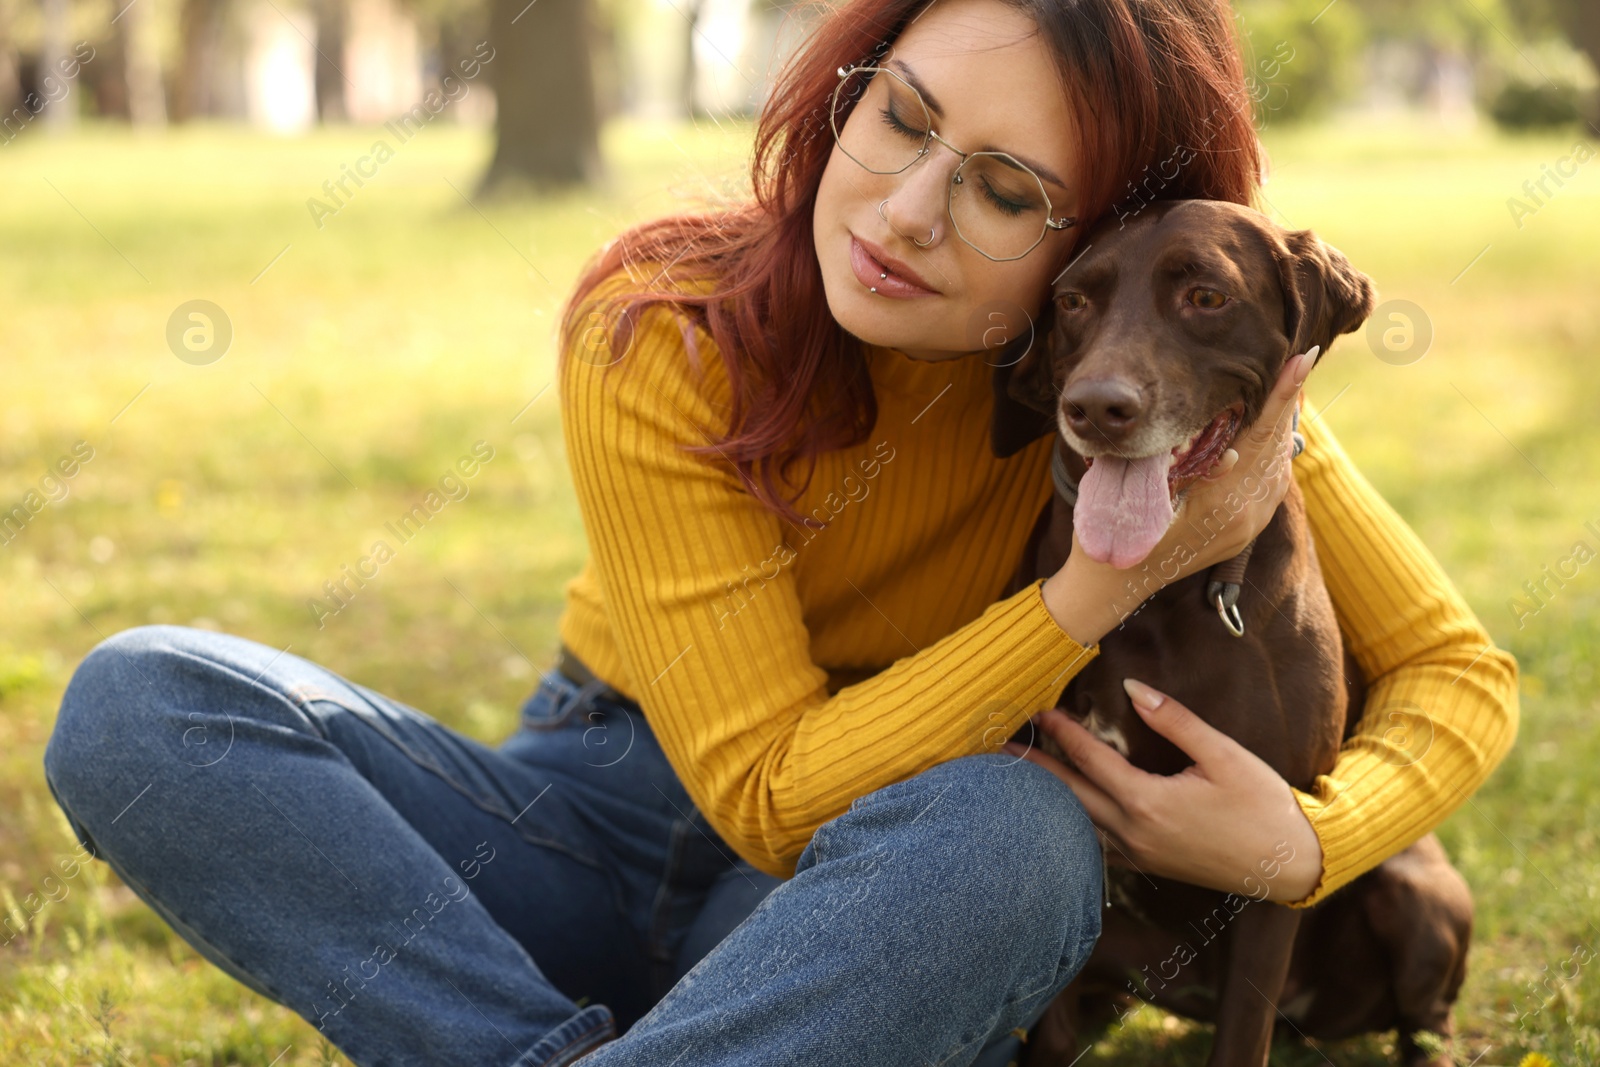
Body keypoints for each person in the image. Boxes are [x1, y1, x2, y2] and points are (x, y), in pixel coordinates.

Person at [41, 0, 1519, 1063]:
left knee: (1014, 841)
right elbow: (758, 786)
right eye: (904, 119)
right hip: (587, 809)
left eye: (1009, 192)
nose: (910, 210)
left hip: (847, 896)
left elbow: (1460, 672)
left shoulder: (1142, 398)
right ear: (851, 86)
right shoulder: (664, 332)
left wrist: (1310, 845)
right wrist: (1083, 596)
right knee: (144, 700)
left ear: (1101, 259)